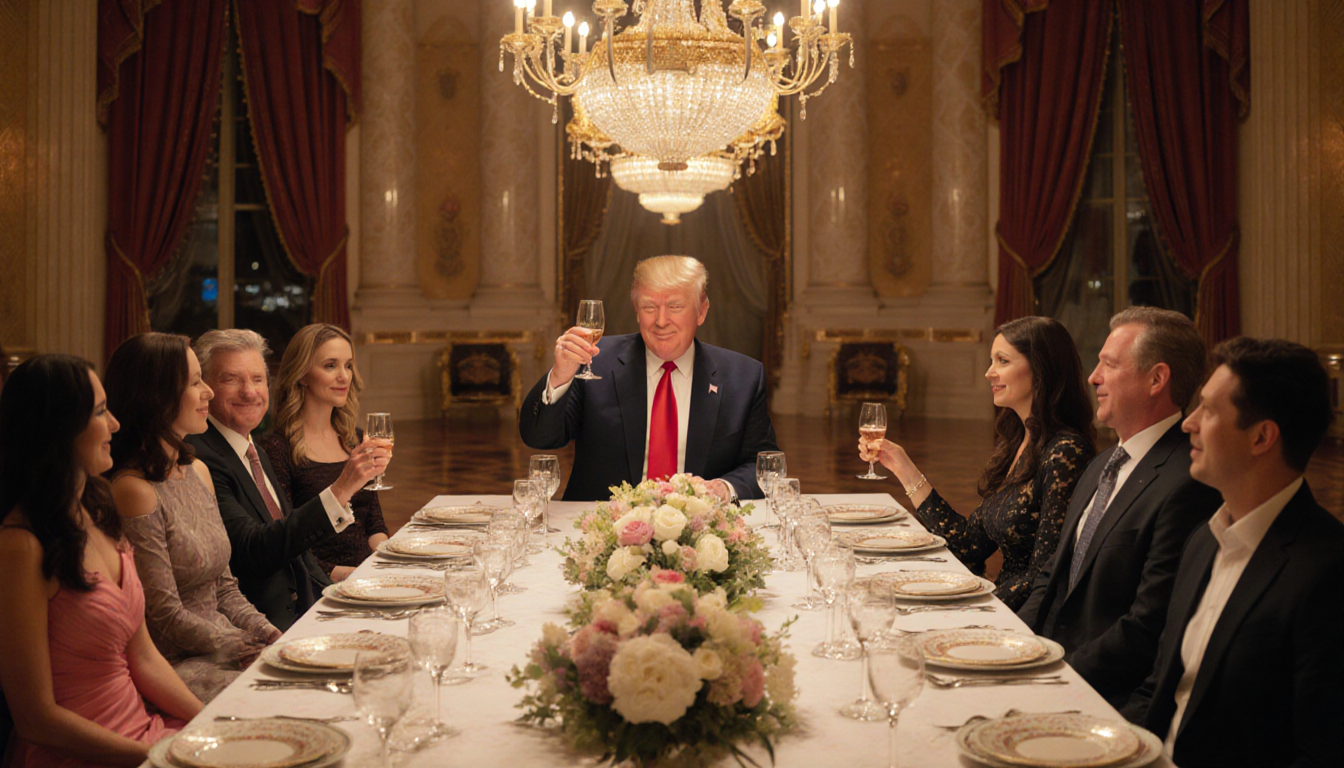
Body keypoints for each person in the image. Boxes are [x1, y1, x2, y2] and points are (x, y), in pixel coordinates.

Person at [1124, 337, 1343, 768]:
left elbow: (1321, 753)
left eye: (1207, 410)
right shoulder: (1204, 540)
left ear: (1262, 437)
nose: (1188, 423)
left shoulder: (1327, 571)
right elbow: (1160, 688)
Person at [0, 355, 201, 767]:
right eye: (100, 412)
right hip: (78, 755)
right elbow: (35, 720)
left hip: (143, 734)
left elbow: (143, 659)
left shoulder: (98, 509)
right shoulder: (21, 545)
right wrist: (155, 757)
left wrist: (211, 724)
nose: (115, 424)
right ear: (57, 427)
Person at [1018, 308, 1221, 707]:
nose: (1094, 377)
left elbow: (1146, 626)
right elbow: (1052, 574)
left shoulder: (1187, 483)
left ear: (1156, 379)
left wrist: (1053, 676)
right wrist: (1013, 645)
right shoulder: (1102, 463)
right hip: (1043, 667)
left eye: (1108, 364)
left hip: (1100, 693)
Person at [860, 316, 1095, 610]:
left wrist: (975, 606)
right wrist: (903, 467)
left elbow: (1044, 576)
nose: (988, 373)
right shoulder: (1019, 444)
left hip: (1022, 616)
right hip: (1001, 601)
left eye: (1002, 361)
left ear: (1040, 370)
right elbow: (970, 546)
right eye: (991, 361)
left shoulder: (1065, 453)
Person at [105, 333, 280, 703]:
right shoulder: (135, 489)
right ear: (157, 395)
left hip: (229, 646)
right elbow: (163, 617)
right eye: (196, 382)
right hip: (179, 663)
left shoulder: (197, 471)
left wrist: (270, 635)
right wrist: (245, 645)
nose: (209, 392)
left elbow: (225, 588)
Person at [519, 255, 780, 501]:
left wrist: (723, 487)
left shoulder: (743, 376)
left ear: (702, 311)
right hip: (600, 532)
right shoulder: (593, 360)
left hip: (700, 533)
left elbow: (763, 466)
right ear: (636, 310)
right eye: (649, 307)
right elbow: (540, 438)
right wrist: (561, 374)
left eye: (675, 306)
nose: (661, 321)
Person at [187, 330, 388, 630]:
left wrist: (344, 597)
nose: (250, 392)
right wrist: (341, 489)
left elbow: (299, 554)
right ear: (206, 388)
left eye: (257, 379)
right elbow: (253, 549)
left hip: (312, 605)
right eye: (232, 379)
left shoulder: (252, 451)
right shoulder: (201, 459)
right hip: (264, 624)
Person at [258, 324, 390, 582]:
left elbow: (373, 523)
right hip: (318, 583)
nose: (344, 376)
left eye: (349, 365)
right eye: (330, 365)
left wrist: (387, 560)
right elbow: (286, 541)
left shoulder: (354, 439)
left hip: (366, 576)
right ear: (302, 374)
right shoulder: (276, 449)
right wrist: (344, 575)